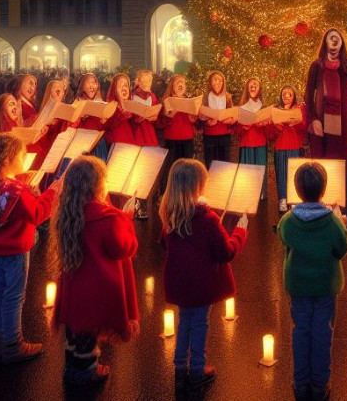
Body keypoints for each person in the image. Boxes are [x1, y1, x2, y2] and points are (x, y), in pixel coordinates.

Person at [160, 159, 248, 395]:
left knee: (185, 322)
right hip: (201, 285)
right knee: (199, 324)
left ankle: (180, 368)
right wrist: (239, 233)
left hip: (179, 283)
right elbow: (225, 252)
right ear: (198, 187)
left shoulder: (170, 214)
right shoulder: (207, 220)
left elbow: (163, 244)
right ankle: (197, 371)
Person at [53, 156, 139, 386]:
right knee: (89, 332)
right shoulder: (109, 218)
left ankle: (71, 367)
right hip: (97, 286)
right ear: (98, 185)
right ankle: (86, 373)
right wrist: (126, 220)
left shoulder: (68, 210)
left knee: (75, 329)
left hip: (74, 283)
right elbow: (122, 248)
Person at [0, 133, 58, 363]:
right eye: (21, 154)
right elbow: (37, 214)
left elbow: (12, 202)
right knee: (14, 298)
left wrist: (23, 184)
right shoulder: (15, 191)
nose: (25, 157)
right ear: (8, 159)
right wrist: (54, 191)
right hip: (15, 251)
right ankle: (13, 345)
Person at [278, 161, 347, 401]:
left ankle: (300, 384)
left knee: (300, 332)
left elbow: (284, 238)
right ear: (324, 188)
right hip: (325, 286)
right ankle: (319, 386)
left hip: (298, 286)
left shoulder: (288, 220)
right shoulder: (332, 222)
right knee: (322, 334)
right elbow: (342, 248)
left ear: (297, 190)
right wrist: (344, 225)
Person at [304, 28, 347, 197]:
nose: (333, 43)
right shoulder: (317, 65)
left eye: (337, 40)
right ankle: (320, 196)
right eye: (331, 39)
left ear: (341, 45)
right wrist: (313, 119)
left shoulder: (346, 67)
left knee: (339, 161)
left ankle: (339, 201)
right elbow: (309, 94)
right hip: (321, 121)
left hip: (341, 123)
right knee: (322, 160)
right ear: (325, 42)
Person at [272, 85, 307, 212]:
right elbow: (271, 132)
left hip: (295, 145)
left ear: (294, 96)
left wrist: (297, 122)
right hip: (280, 146)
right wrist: (277, 125)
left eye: (289, 93)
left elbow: (304, 127)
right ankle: (282, 199)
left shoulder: (299, 109)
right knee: (281, 173)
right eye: (284, 93)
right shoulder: (276, 109)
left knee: (294, 172)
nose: (286, 95)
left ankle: (294, 199)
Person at [236, 76, 269, 199]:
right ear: (247, 88)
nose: (253, 86)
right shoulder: (241, 107)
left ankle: (261, 193)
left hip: (260, 142)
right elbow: (236, 130)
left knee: (260, 168)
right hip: (247, 142)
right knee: (247, 170)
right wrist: (242, 128)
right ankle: (248, 193)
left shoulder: (264, 107)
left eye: (256, 84)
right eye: (251, 85)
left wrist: (265, 124)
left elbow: (269, 130)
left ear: (259, 88)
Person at [197, 70, 236, 168]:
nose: (217, 83)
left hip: (224, 136)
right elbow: (200, 115)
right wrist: (207, 122)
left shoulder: (227, 97)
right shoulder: (205, 97)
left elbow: (233, 114)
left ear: (223, 83)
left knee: (224, 164)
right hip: (209, 136)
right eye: (215, 80)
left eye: (220, 81)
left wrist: (230, 120)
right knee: (210, 163)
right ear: (210, 83)